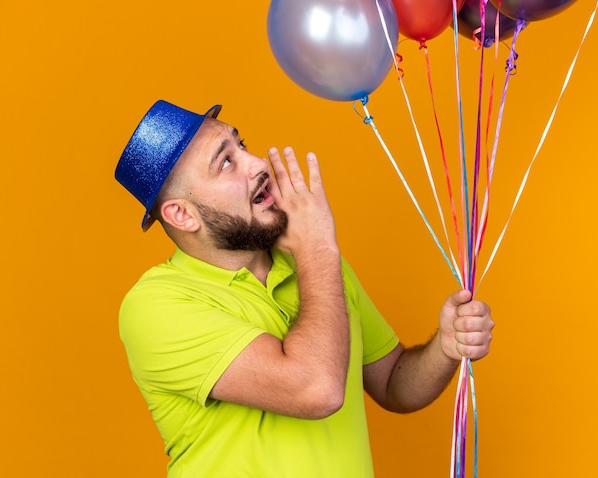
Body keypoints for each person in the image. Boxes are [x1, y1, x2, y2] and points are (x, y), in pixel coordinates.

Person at [115, 100, 494, 478]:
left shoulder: (314, 266)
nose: (258, 163)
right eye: (226, 162)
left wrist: (446, 346)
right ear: (182, 214)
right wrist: (318, 247)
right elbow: (317, 390)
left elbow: (394, 382)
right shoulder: (155, 306)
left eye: (242, 145)